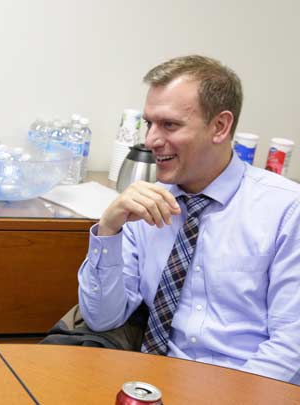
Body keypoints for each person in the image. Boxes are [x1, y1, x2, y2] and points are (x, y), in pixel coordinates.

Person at [78, 55, 300, 384]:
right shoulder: (146, 205)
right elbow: (101, 319)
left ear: (220, 127)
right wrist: (109, 229)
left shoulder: (286, 210)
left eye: (169, 125)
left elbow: (289, 350)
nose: (151, 140)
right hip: (149, 384)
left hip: (244, 388)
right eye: (149, 123)